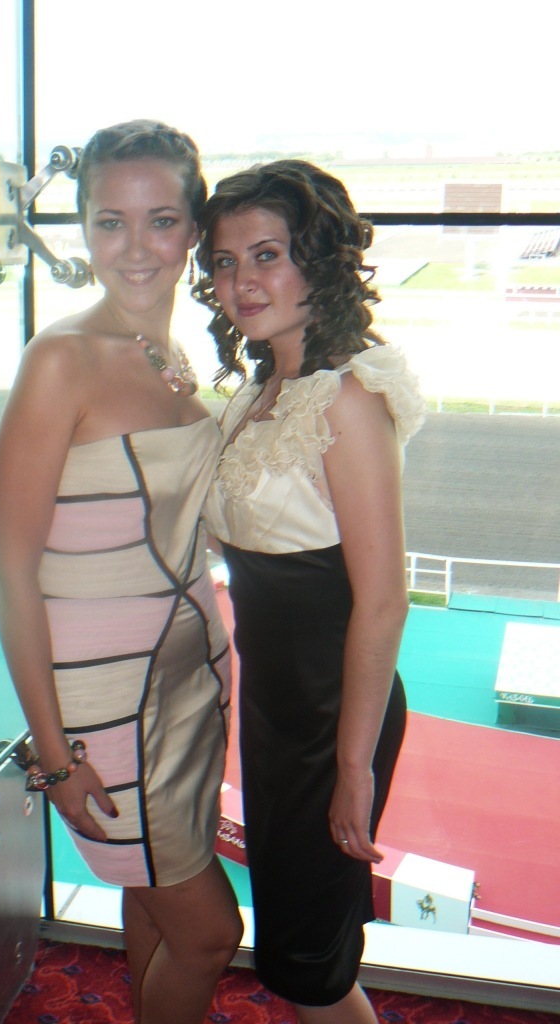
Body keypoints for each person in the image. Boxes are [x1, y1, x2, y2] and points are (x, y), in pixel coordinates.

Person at [0, 120, 243, 1024]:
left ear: (194, 229)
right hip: (107, 703)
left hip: (190, 677)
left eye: (161, 221)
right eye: (109, 222)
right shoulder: (61, 361)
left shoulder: (175, 358)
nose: (135, 249)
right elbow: (10, 568)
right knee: (210, 935)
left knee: (152, 895)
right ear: (85, 229)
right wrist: (55, 757)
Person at [193, 160, 426, 1024]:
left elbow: (384, 599)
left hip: (334, 718)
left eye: (267, 255)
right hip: (279, 711)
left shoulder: (346, 399)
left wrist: (352, 769)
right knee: (300, 948)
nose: (242, 283)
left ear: (318, 260)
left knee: (307, 964)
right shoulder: (261, 394)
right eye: (224, 262)